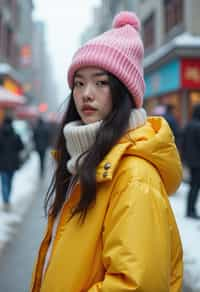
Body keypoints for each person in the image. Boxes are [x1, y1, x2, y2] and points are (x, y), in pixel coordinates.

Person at [30, 11, 183, 292]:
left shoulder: (134, 176)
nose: (86, 93)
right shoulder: (82, 161)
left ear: (123, 91)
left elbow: (136, 284)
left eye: (101, 82)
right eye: (79, 83)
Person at [0, 116, 24, 211]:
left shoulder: (0, 134)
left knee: (4, 183)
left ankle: (6, 201)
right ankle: (7, 199)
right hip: (13, 163)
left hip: (2, 163)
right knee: (9, 182)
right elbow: (21, 147)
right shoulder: (15, 134)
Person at [182, 104, 200, 219]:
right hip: (198, 161)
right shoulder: (198, 126)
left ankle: (189, 209)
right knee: (195, 186)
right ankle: (191, 210)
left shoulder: (188, 125)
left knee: (192, 186)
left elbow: (183, 143)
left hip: (191, 160)